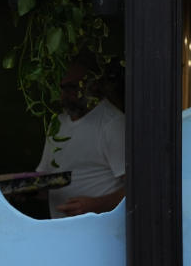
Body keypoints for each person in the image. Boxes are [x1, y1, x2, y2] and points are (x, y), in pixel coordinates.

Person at [35, 59, 126, 218]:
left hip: (99, 233)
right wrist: (22, 190)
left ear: (94, 84)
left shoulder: (112, 124)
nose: (64, 95)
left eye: (72, 87)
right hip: (62, 231)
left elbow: (138, 189)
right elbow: (45, 181)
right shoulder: (57, 123)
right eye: (61, 88)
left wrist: (95, 206)